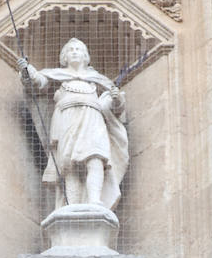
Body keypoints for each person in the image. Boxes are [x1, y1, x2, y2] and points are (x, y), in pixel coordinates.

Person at [19, 37, 129, 211]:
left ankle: (95, 201)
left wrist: (116, 99)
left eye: (78, 49)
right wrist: (28, 72)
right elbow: (38, 83)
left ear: (86, 56)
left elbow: (116, 110)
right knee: (69, 165)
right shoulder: (57, 75)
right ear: (64, 58)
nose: (74, 52)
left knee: (95, 159)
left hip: (93, 120)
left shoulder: (98, 80)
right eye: (70, 50)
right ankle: (72, 206)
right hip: (67, 120)